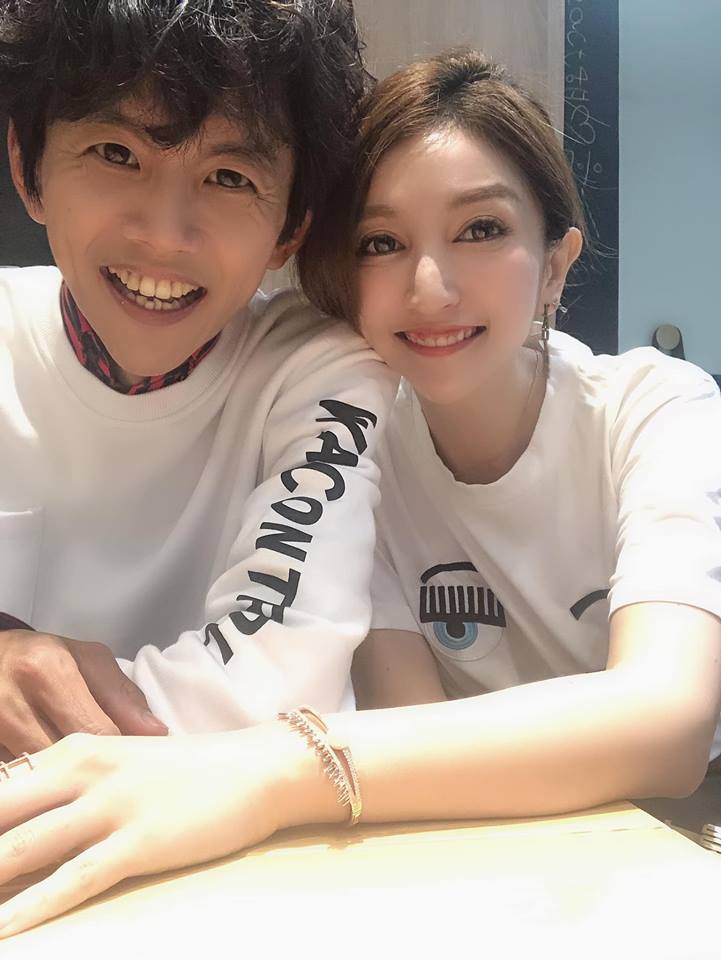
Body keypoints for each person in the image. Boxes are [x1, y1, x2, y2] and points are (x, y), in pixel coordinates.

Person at [1, 49, 721, 938]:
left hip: (682, 833)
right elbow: (414, 739)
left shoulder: (654, 409)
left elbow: (668, 719)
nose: (430, 287)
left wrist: (266, 773)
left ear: (555, 264)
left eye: (481, 229)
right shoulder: (359, 431)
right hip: (488, 846)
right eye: (382, 243)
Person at [0, 0, 396, 754]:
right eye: (116, 153)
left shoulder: (322, 374)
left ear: (292, 228)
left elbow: (281, 684)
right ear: (30, 168)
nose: (164, 236)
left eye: (229, 177)